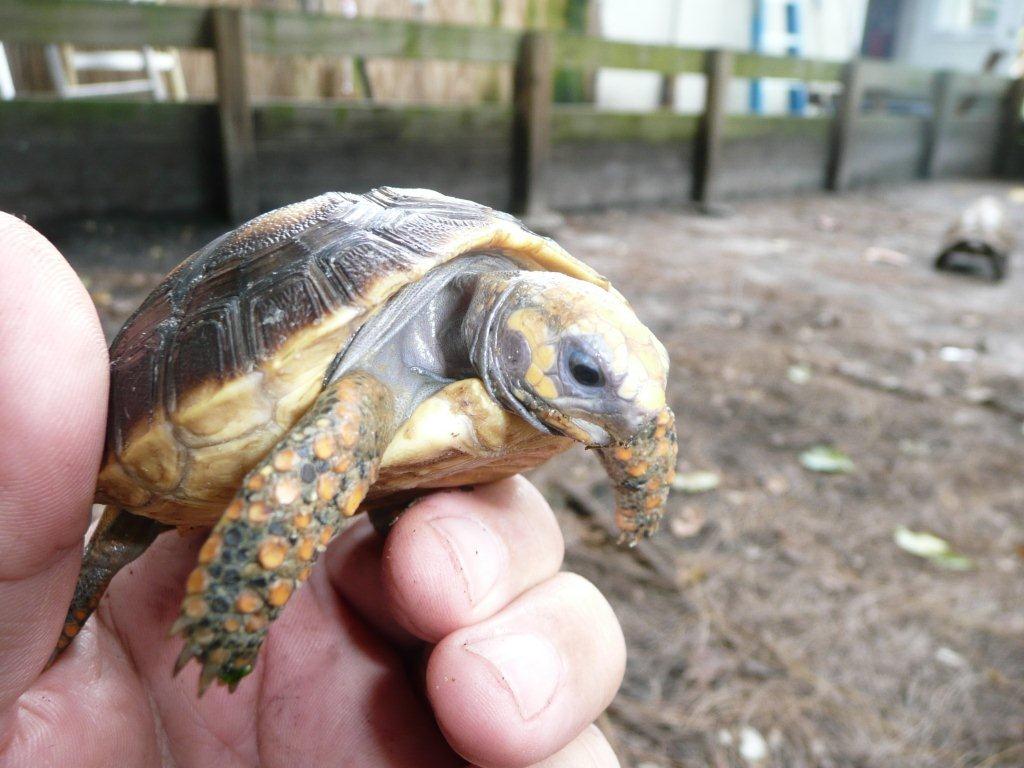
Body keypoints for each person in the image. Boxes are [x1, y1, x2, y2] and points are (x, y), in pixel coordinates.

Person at [0, 212, 625, 768]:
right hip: (269, 430)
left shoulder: (540, 336)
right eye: (581, 372)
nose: (629, 416)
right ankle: (207, 606)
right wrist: (240, 598)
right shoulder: (368, 390)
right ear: (515, 326)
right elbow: (336, 442)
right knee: (342, 431)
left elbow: (638, 413)